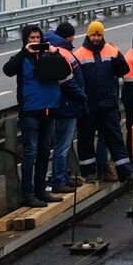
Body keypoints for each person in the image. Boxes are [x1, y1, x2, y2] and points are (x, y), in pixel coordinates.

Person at [2, 24, 79, 207]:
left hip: (50, 110)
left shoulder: (49, 56)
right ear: (26, 40)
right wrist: (24, 51)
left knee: (45, 152)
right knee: (31, 152)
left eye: (38, 38)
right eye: (31, 38)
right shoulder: (21, 58)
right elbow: (7, 70)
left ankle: (40, 190)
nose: (35, 41)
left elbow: (67, 71)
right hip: (30, 111)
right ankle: (28, 193)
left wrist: (55, 53)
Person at [74, 20, 133, 183]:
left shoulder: (111, 51)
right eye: (94, 34)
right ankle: (89, 173)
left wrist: (118, 59)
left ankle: (125, 172)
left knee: (115, 139)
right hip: (88, 107)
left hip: (108, 105)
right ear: (88, 34)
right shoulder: (79, 54)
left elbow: (124, 69)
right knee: (85, 140)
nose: (97, 38)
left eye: (99, 34)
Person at [44, 22, 87, 193]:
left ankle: (63, 177)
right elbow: (68, 81)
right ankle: (58, 180)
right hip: (67, 105)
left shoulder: (58, 50)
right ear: (69, 36)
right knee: (62, 146)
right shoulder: (62, 52)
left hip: (63, 104)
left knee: (64, 144)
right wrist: (81, 97)